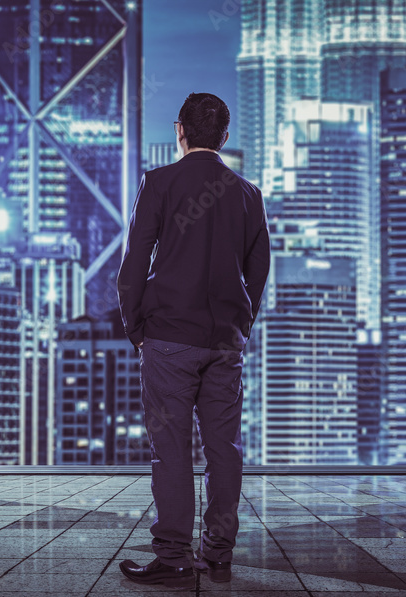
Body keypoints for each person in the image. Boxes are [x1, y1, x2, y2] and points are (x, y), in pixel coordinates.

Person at [116, 92, 271, 588]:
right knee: (224, 447)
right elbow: (259, 270)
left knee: (172, 449)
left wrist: (136, 328)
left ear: (179, 129)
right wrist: (240, 326)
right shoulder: (248, 194)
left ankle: (174, 555)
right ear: (224, 137)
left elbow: (135, 263)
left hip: (168, 339)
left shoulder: (160, 183)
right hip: (224, 342)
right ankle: (218, 555)